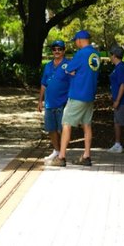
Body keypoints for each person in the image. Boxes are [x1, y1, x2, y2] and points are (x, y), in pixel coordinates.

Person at [46, 30, 100, 167]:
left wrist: (73, 71)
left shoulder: (81, 53)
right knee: (87, 125)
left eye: (75, 40)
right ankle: (86, 156)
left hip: (77, 94)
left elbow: (68, 68)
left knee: (66, 124)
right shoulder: (96, 54)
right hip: (90, 95)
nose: (75, 43)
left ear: (80, 40)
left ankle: (61, 157)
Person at [38, 40, 70, 162]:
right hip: (49, 102)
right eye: (54, 49)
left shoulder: (68, 64)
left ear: (64, 50)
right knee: (51, 129)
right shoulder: (48, 65)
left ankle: (62, 153)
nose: (57, 51)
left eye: (59, 49)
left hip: (63, 102)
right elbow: (43, 84)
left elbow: (73, 83)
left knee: (63, 129)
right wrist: (40, 100)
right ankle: (56, 150)